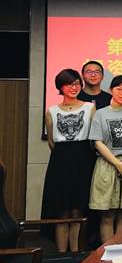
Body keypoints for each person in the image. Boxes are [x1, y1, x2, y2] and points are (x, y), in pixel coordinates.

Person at [41, 69, 96, 252]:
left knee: (78, 209)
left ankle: (76, 254)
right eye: (69, 84)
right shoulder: (51, 111)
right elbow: (51, 141)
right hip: (60, 161)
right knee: (61, 210)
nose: (74, 87)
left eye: (77, 84)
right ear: (60, 87)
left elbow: (94, 136)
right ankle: (61, 255)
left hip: (83, 159)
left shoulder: (89, 107)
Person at [89, 75, 122, 242]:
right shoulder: (100, 113)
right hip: (108, 165)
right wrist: (116, 163)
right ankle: (107, 251)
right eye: (119, 89)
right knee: (107, 215)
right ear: (111, 90)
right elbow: (97, 142)